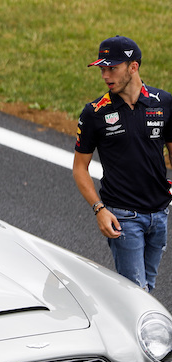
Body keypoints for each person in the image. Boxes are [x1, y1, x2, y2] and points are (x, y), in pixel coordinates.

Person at [73, 36, 172, 292]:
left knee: (147, 289)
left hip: (160, 213)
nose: (105, 75)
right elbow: (79, 168)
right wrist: (99, 209)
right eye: (102, 69)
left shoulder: (164, 103)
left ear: (133, 67)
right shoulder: (95, 113)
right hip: (123, 217)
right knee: (135, 292)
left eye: (112, 68)